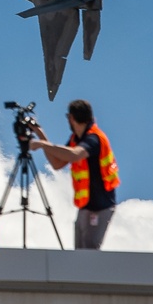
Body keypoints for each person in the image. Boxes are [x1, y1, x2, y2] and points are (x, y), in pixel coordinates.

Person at [29, 99, 119, 249]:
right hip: (86, 206)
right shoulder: (76, 139)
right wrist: (40, 134)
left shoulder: (93, 138)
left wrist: (43, 145)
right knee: (79, 253)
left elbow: (74, 155)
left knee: (88, 254)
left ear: (71, 118)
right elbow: (57, 163)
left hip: (100, 208)